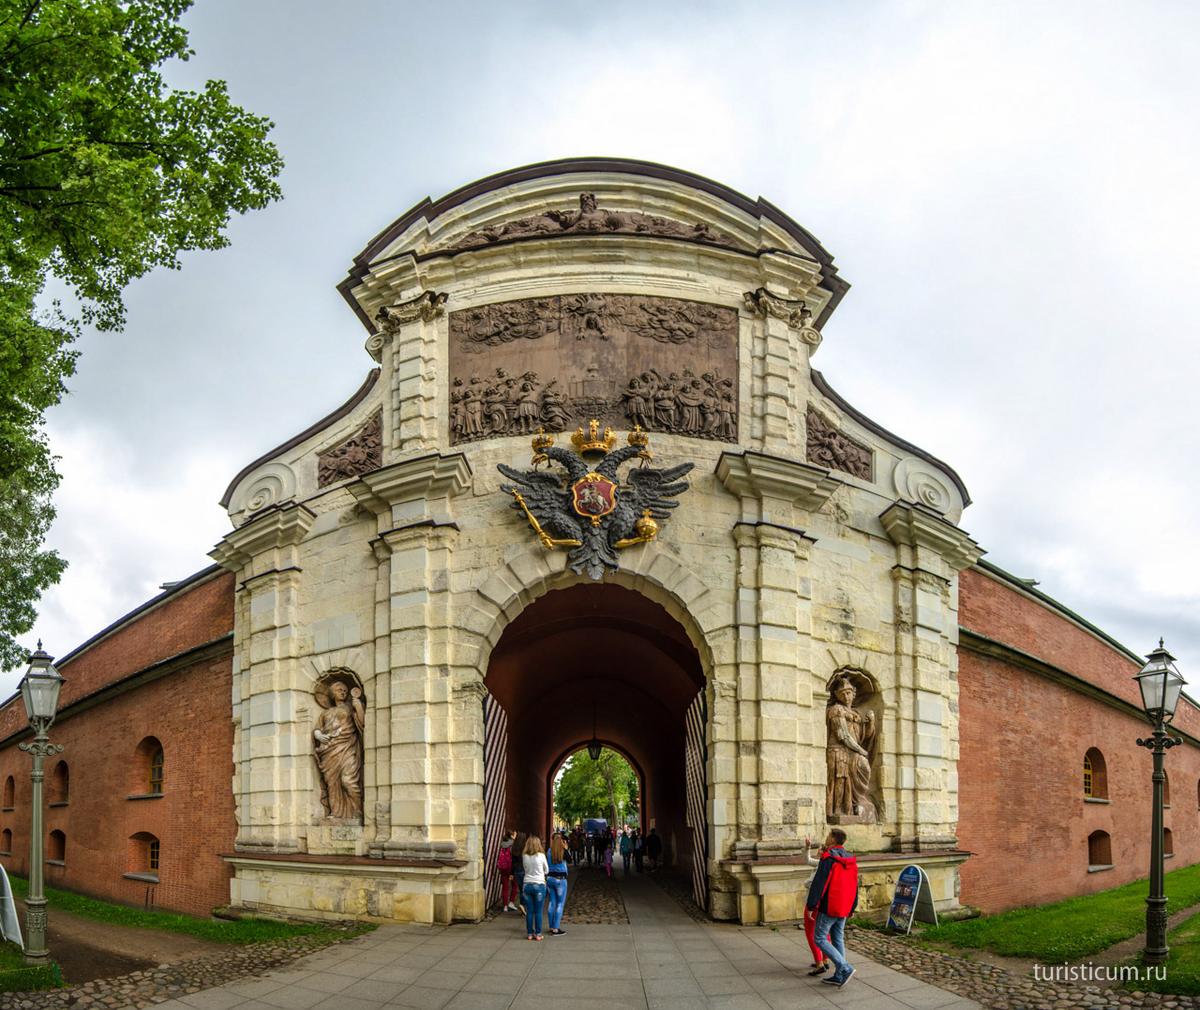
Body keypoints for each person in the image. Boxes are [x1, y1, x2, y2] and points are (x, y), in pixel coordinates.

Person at [806, 828, 858, 988]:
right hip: (844, 905)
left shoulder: (828, 858)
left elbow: (819, 883)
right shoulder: (850, 859)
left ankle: (845, 967)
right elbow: (855, 884)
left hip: (830, 905)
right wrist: (852, 907)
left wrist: (811, 905)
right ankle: (839, 975)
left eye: (828, 836)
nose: (826, 837)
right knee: (837, 939)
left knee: (819, 938)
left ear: (832, 840)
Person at [312, 679, 365, 820]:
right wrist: (319, 735)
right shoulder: (325, 713)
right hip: (329, 750)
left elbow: (362, 723)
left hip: (347, 747)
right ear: (331, 693)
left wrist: (358, 707)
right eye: (339, 690)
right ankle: (335, 813)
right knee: (332, 782)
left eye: (344, 691)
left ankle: (357, 812)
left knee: (348, 780)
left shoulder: (350, 707)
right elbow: (317, 729)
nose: (343, 692)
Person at [801, 834, 827, 975]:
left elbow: (811, 883)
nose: (819, 851)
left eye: (821, 850)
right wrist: (807, 847)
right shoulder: (824, 862)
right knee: (824, 930)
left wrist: (806, 883)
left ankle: (819, 963)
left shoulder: (822, 864)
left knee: (811, 932)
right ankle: (826, 959)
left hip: (814, 901)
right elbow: (808, 860)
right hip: (823, 902)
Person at [522, 835, 549, 941]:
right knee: (538, 911)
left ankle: (529, 933)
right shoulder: (541, 856)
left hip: (527, 884)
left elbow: (525, 868)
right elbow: (546, 870)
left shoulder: (524, 855)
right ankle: (538, 933)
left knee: (529, 911)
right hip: (539, 884)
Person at [545, 834, 569, 936]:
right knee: (560, 904)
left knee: (551, 903)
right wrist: (566, 848)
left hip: (550, 879)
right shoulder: (562, 851)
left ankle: (551, 925)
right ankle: (556, 928)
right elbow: (570, 860)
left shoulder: (549, 851)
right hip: (560, 880)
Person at [497, 830, 517, 912]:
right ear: (512, 836)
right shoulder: (513, 844)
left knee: (505, 886)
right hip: (510, 867)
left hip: (503, 867)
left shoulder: (502, 844)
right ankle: (511, 902)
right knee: (514, 885)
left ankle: (504, 905)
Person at [512, 831, 528, 915]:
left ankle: (523, 907)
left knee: (522, 890)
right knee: (526, 890)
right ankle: (523, 905)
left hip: (517, 871)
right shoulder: (525, 848)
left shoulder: (514, 848)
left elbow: (512, 862)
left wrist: (512, 873)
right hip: (524, 871)